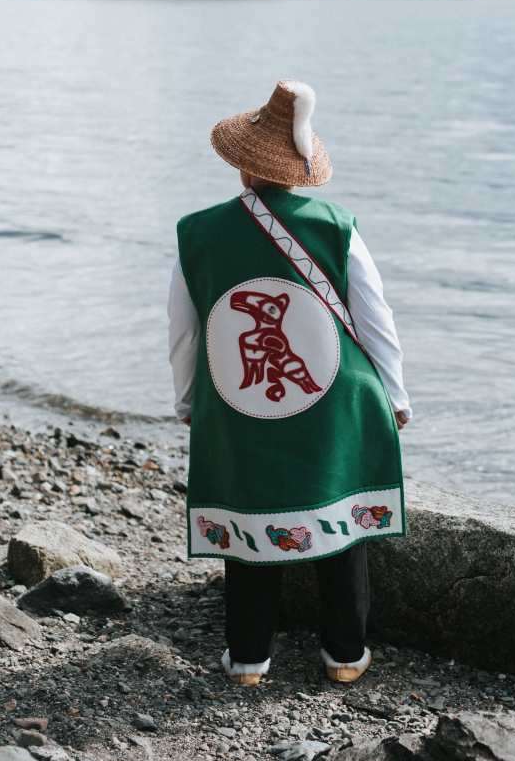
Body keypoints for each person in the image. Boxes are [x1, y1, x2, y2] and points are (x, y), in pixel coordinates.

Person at [168, 79, 410, 686]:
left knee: (249, 509)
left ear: (243, 166)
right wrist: (396, 395)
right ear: (299, 172)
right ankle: (344, 656)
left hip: (239, 395)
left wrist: (189, 400)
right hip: (336, 397)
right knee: (342, 514)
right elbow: (374, 319)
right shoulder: (338, 225)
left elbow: (184, 331)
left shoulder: (197, 232)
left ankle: (249, 659)